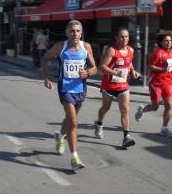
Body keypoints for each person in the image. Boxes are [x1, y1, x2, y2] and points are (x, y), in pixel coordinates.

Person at [41, 20, 97, 172]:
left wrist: (88, 73)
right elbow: (45, 59)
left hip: (80, 88)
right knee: (73, 122)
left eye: (78, 31)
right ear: (67, 33)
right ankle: (75, 157)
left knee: (68, 120)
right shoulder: (61, 47)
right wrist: (46, 78)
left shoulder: (86, 47)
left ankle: (60, 137)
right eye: (72, 31)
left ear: (81, 33)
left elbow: (94, 68)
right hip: (65, 88)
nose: (75, 34)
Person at [94, 27, 140, 149]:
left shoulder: (131, 50)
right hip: (109, 84)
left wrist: (133, 70)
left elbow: (129, 62)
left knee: (125, 110)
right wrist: (115, 73)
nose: (124, 39)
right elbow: (101, 67)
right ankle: (99, 123)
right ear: (116, 38)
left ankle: (126, 137)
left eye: (126, 36)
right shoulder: (112, 51)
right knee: (105, 107)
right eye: (121, 36)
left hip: (123, 85)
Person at [135, 33, 172, 137]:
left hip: (168, 82)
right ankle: (141, 110)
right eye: (166, 41)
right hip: (156, 83)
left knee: (169, 105)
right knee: (155, 106)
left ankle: (164, 128)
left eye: (170, 40)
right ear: (161, 42)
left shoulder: (171, 53)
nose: (169, 42)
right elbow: (150, 66)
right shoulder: (158, 53)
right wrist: (161, 69)